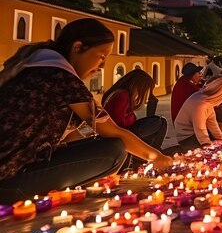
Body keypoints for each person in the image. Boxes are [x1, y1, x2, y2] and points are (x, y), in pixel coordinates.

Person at [0, 19, 173, 201]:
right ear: (78, 47)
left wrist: (85, 134)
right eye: (101, 56)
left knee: (106, 142)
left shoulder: (38, 69)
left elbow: (83, 130)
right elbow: (113, 130)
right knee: (114, 150)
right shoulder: (61, 77)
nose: (102, 66)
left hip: (17, 167)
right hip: (11, 175)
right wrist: (157, 157)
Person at [102, 69, 167, 150]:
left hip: (122, 132)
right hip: (120, 135)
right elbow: (119, 123)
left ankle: (153, 149)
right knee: (159, 122)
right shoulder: (123, 95)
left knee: (157, 121)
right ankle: (153, 150)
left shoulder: (121, 93)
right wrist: (132, 117)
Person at [174, 75, 222, 150]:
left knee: (219, 143)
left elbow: (212, 124)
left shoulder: (207, 100)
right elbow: (200, 129)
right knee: (215, 148)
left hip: (195, 134)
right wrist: (207, 145)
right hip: (187, 138)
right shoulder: (201, 104)